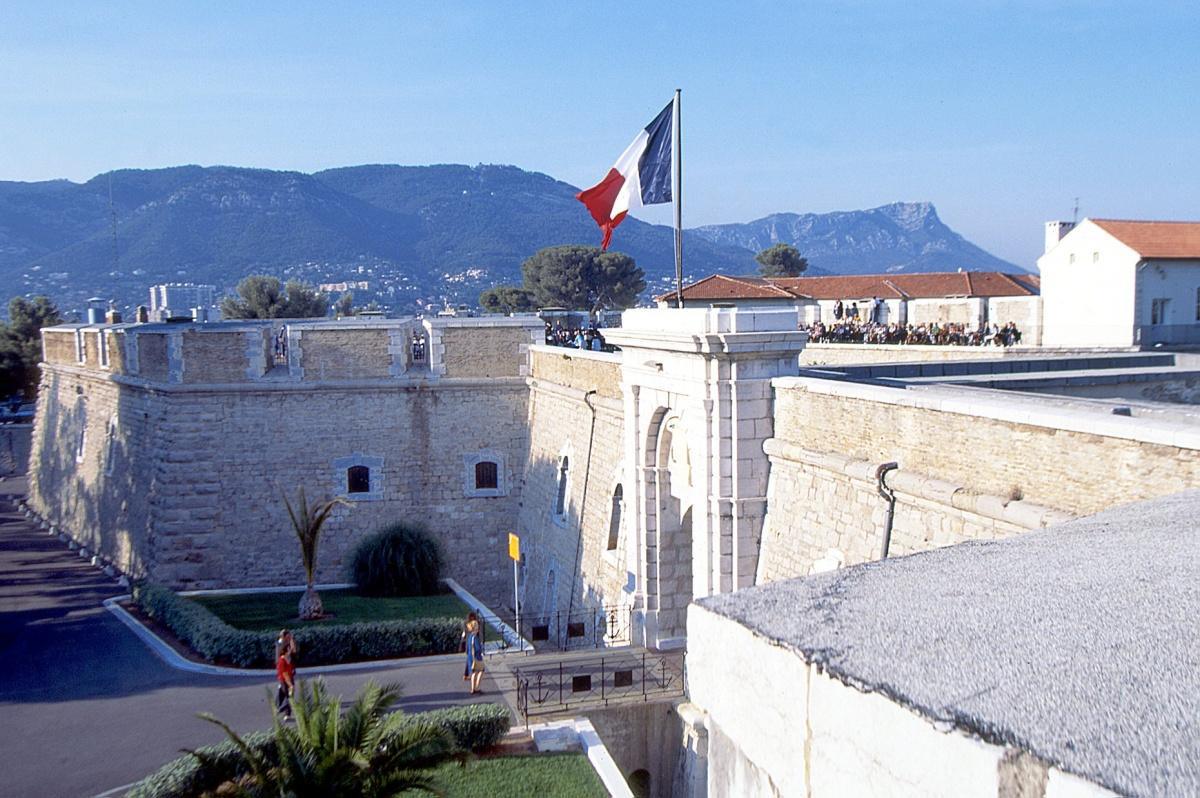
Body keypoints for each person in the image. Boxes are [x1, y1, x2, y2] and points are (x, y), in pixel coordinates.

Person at [275, 628, 296, 721]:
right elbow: (284, 673)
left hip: (288, 677)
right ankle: (281, 709)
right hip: (284, 678)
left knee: (286, 694)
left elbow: (293, 650)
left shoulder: (288, 658)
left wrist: (291, 640)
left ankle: (284, 711)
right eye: (287, 636)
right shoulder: (282, 658)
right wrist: (290, 684)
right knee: (288, 695)